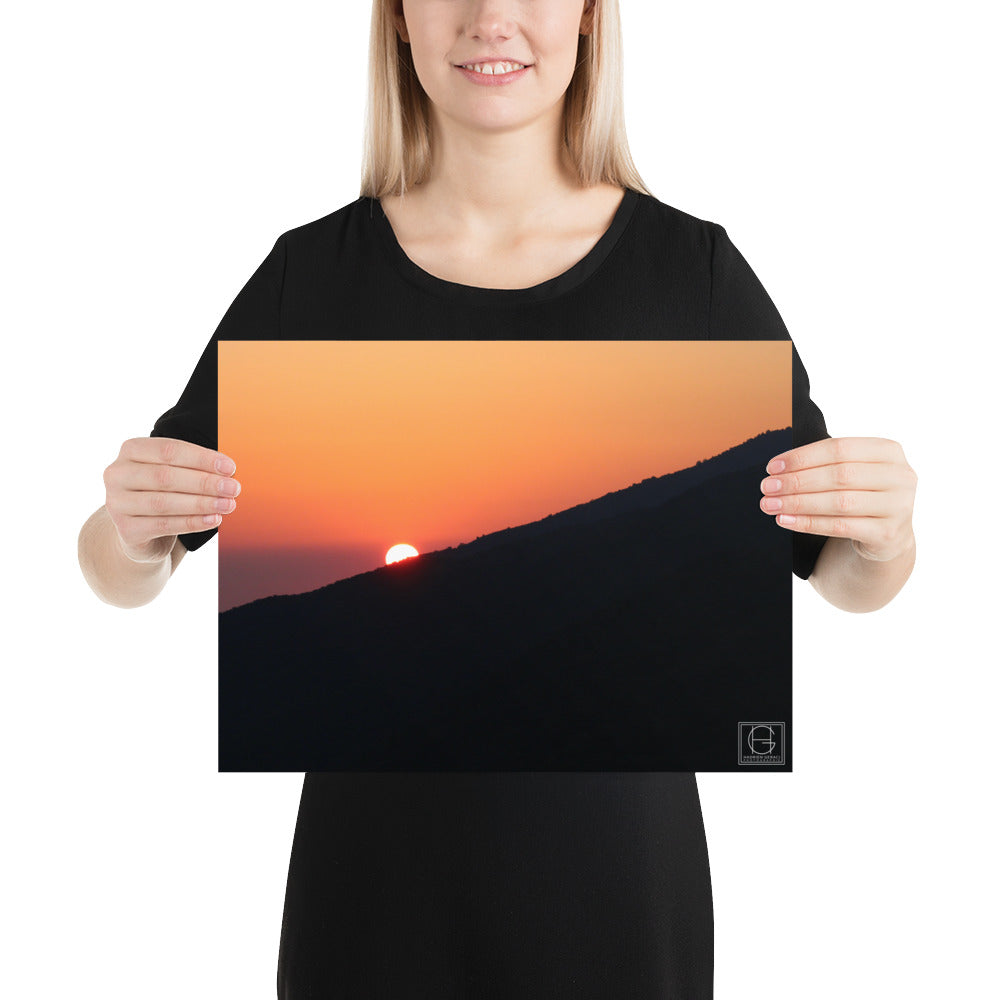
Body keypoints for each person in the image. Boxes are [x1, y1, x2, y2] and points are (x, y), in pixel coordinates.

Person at [78, 1, 917, 996]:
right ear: (396, 19)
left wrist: (883, 533)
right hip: (371, 897)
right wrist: (130, 533)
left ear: (591, 18)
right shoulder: (312, 279)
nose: (492, 19)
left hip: (619, 895)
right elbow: (123, 565)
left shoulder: (691, 276)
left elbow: (839, 573)